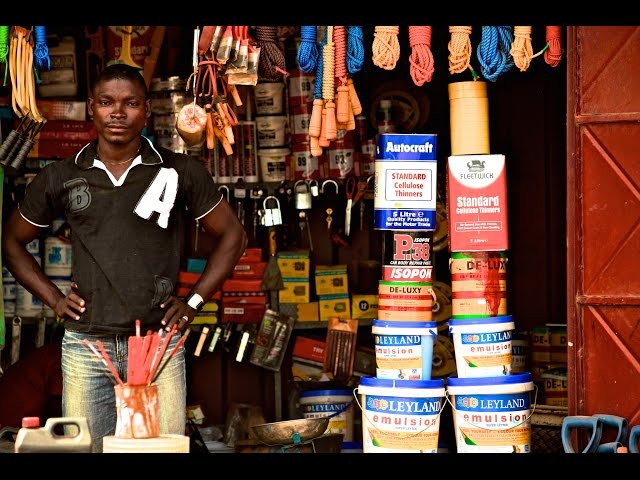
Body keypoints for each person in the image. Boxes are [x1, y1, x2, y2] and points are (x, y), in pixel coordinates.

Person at [2, 63, 247, 452]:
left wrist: (194, 301)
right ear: (91, 107)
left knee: (163, 449)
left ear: (147, 110)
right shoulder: (61, 176)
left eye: (130, 103)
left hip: (158, 344)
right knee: (89, 450)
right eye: (106, 102)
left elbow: (234, 235)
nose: (118, 112)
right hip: (86, 345)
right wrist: (53, 299)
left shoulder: (179, 170)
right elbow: (12, 241)